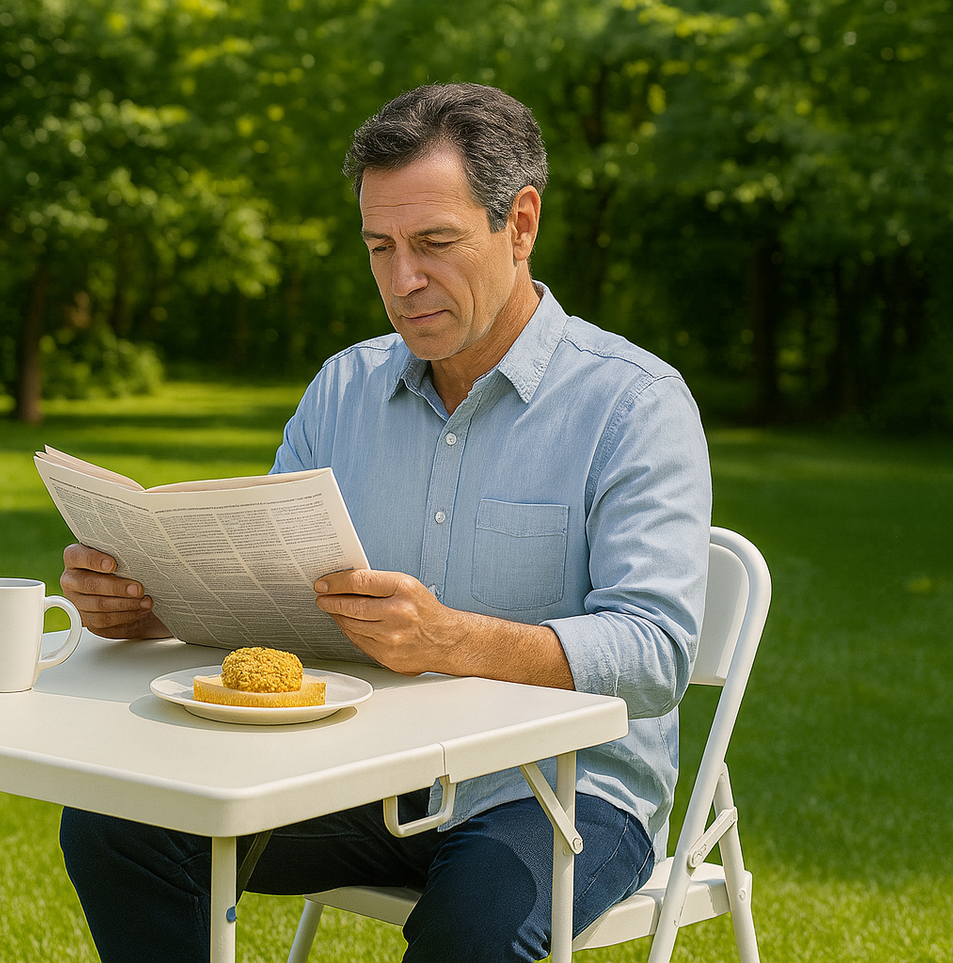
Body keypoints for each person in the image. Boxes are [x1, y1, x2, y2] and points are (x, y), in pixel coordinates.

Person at [57, 83, 711, 963]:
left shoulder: (633, 404)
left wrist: (451, 638)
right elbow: (274, 597)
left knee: (470, 936)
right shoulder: (342, 389)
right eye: (380, 247)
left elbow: (656, 652)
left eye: (434, 243)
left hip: (557, 795)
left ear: (519, 223)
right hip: (354, 771)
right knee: (118, 821)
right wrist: (155, 609)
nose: (403, 281)